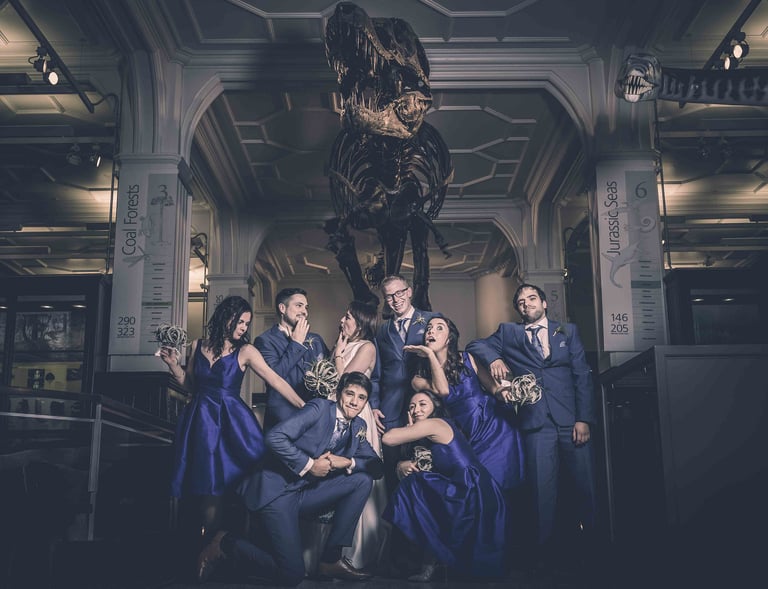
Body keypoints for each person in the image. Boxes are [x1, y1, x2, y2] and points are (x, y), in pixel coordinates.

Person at [195, 372, 384, 586]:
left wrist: (348, 462)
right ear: (339, 392)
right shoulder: (320, 408)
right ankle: (225, 543)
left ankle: (330, 559)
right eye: (350, 393)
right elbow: (274, 437)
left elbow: (376, 467)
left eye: (361, 398)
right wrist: (311, 465)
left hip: (305, 494)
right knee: (292, 575)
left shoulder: (358, 426)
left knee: (362, 480)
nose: (354, 402)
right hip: (278, 491)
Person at [466, 283, 598, 572]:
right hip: (536, 423)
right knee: (542, 492)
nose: (526, 304)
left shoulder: (568, 331)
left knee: (584, 486)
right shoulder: (509, 332)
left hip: (571, 420)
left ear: (544, 303)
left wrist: (584, 418)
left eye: (532, 298)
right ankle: (544, 555)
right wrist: (496, 358)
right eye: (521, 302)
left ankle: (592, 548)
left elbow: (582, 376)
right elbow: (475, 345)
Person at [159, 296, 305, 550]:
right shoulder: (197, 345)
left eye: (247, 324)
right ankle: (205, 549)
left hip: (232, 423)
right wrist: (173, 366)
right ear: (226, 317)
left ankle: (235, 546)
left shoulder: (246, 351)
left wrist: (306, 408)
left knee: (243, 485)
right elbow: (190, 386)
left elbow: (276, 381)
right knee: (208, 488)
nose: (244, 328)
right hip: (201, 422)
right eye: (240, 322)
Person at [381, 390, 508, 582]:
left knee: (414, 484)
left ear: (435, 407)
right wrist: (401, 463)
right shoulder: (427, 432)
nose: (416, 410)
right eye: (412, 406)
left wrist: (409, 429)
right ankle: (429, 565)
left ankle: (431, 564)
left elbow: (387, 438)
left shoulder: (435, 424)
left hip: (471, 490)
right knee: (420, 484)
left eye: (422, 404)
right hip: (464, 487)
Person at [406, 315, 525, 492]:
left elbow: (494, 389)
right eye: (429, 328)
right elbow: (443, 390)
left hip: (494, 428)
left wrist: (506, 391)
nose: (431, 330)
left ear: (449, 339)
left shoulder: (469, 358)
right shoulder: (419, 378)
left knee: (500, 483)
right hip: (462, 434)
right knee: (476, 486)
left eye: (439, 328)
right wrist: (431, 355)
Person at [327, 300, 387, 570]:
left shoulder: (367, 347)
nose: (342, 320)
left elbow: (347, 384)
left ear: (361, 323)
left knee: (355, 473)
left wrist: (338, 355)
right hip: (333, 414)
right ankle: (328, 552)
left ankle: (357, 550)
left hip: (356, 414)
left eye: (348, 317)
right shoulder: (340, 345)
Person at [374, 275, 438, 492]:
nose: (395, 299)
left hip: (425, 404)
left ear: (409, 291)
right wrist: (374, 405)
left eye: (399, 292)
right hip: (390, 409)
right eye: (389, 296)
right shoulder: (382, 330)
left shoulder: (431, 319)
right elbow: (376, 373)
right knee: (394, 470)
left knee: (427, 467)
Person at [255, 287, 329, 429]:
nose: (304, 312)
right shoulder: (265, 341)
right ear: (282, 308)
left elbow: (329, 373)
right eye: (299, 305)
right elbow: (275, 377)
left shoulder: (316, 339)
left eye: (306, 307)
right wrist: (296, 344)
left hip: (315, 417)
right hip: (283, 418)